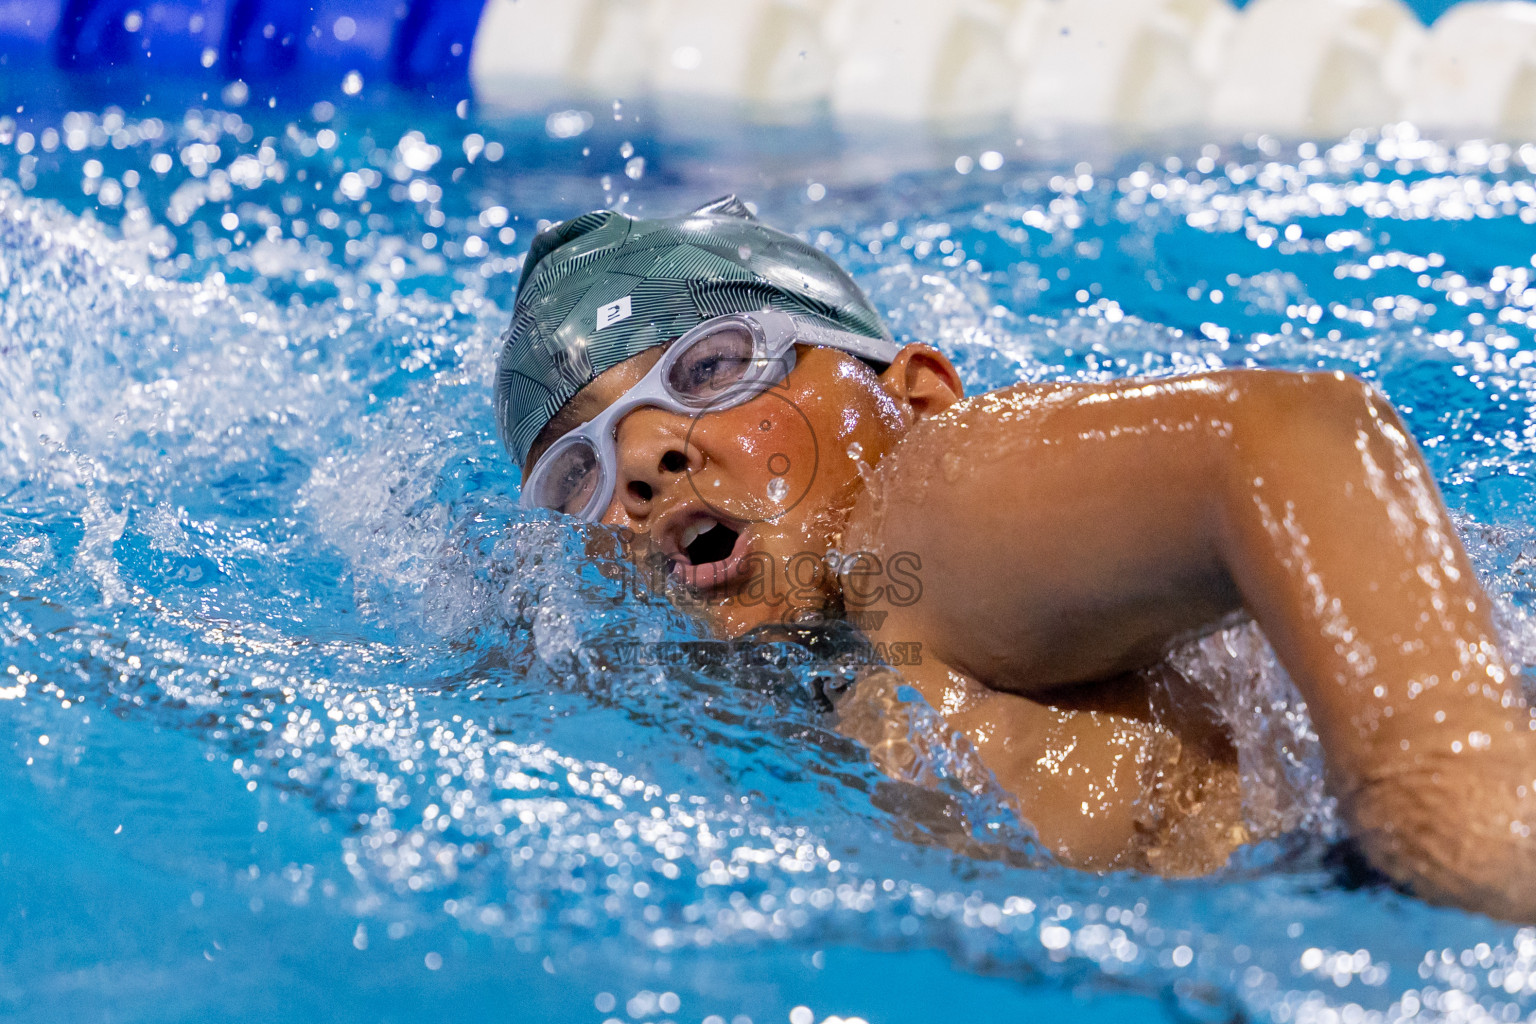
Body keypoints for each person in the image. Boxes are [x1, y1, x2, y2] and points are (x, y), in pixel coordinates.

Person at [495, 195, 1536, 921]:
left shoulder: (903, 514)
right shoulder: (755, 670)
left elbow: (1295, 434)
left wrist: (1448, 796)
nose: (643, 458)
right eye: (576, 469)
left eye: (713, 368)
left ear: (914, 394)